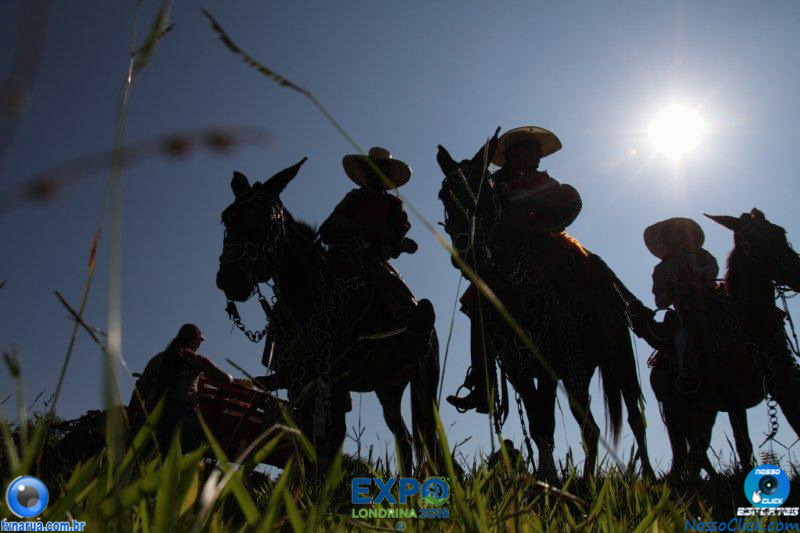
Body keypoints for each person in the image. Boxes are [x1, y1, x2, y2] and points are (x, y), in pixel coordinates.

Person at [446, 126, 582, 413]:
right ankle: (483, 384)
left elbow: (568, 207)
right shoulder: (493, 182)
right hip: (508, 249)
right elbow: (477, 210)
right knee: (477, 301)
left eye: (537, 152)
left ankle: (600, 328)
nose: (537, 158)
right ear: (513, 154)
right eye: (531, 151)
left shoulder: (546, 182)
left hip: (546, 244)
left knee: (585, 271)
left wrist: (542, 209)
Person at [319, 147, 424, 326]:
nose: (374, 175)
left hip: (372, 258)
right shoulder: (352, 198)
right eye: (370, 170)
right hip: (339, 254)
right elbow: (326, 230)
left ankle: (408, 319)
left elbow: (396, 233)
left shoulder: (393, 204)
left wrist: (357, 229)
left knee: (394, 289)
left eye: (379, 171)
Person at [630, 217, 719, 392]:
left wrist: (695, 273)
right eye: (669, 234)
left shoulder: (701, 255)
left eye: (677, 232)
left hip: (713, 299)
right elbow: (659, 299)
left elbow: (713, 269)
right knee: (685, 333)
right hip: (685, 308)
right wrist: (671, 292)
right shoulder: (661, 269)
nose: (674, 236)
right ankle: (688, 370)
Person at [128, 323, 232, 449]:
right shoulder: (196, 360)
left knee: (144, 456)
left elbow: (140, 390)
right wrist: (231, 378)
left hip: (152, 413)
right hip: (182, 417)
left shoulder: (158, 358)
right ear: (196, 340)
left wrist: (132, 418)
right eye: (200, 341)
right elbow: (225, 379)